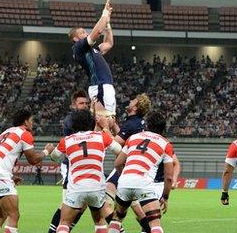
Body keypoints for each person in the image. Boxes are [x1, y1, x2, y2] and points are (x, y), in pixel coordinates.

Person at [0, 109, 54, 233]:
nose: (32, 123)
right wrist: (47, 151)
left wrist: (11, 176)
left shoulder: (5, 133)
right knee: (14, 215)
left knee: (1, 215)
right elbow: (33, 160)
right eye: (31, 120)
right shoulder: (24, 133)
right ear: (25, 122)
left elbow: (1, 156)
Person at [49, 110, 121, 233]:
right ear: (91, 122)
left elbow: (55, 157)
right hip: (96, 187)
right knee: (99, 221)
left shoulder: (67, 140)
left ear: (73, 124)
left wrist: (50, 150)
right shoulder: (101, 137)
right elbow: (119, 150)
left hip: (76, 187)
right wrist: (105, 128)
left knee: (64, 222)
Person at [108, 111, 175, 233]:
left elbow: (117, 163)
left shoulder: (133, 138)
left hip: (124, 181)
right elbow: (169, 177)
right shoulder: (165, 144)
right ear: (164, 128)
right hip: (144, 183)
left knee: (117, 219)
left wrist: (124, 178)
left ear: (147, 125)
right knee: (154, 223)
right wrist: (165, 197)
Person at [48, 90, 91, 233]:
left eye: (86, 103)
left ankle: (62, 229)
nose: (84, 105)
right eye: (81, 103)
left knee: (81, 205)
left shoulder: (89, 118)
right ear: (73, 105)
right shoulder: (70, 121)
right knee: (68, 204)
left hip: (84, 166)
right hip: (72, 166)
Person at [105, 94, 149, 232]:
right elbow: (125, 138)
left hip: (125, 167)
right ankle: (149, 228)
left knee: (104, 203)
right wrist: (114, 126)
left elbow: (114, 143)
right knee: (136, 208)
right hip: (135, 169)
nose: (130, 101)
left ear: (135, 107)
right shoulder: (138, 123)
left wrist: (105, 127)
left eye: (133, 100)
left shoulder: (131, 124)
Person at [69, 0, 114, 117]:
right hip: (100, 86)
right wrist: (105, 14)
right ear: (75, 38)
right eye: (82, 32)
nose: (86, 33)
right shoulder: (79, 47)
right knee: (105, 121)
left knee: (107, 121)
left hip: (103, 86)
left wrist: (108, 25)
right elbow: (97, 32)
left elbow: (108, 44)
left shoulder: (91, 50)